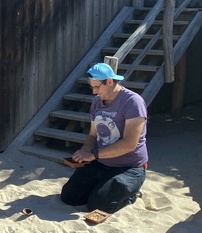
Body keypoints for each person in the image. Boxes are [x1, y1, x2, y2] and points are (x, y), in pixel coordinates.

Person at [60, 62, 148, 215]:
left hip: (129, 166)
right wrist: (84, 151)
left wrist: (94, 155)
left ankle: (131, 194)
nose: (94, 92)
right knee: (69, 197)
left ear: (109, 81)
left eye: (97, 87)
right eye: (92, 87)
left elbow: (129, 144)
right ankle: (106, 188)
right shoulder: (97, 102)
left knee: (98, 206)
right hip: (101, 162)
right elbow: (92, 135)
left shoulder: (133, 102)